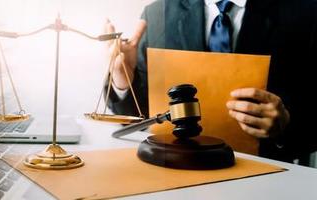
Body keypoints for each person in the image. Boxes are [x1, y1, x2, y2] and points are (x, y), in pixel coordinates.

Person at [106, 0, 317, 164]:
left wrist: (286, 126)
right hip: (174, 173)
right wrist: (123, 81)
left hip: (265, 179)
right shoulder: (157, 13)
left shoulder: (306, 13)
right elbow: (138, 117)